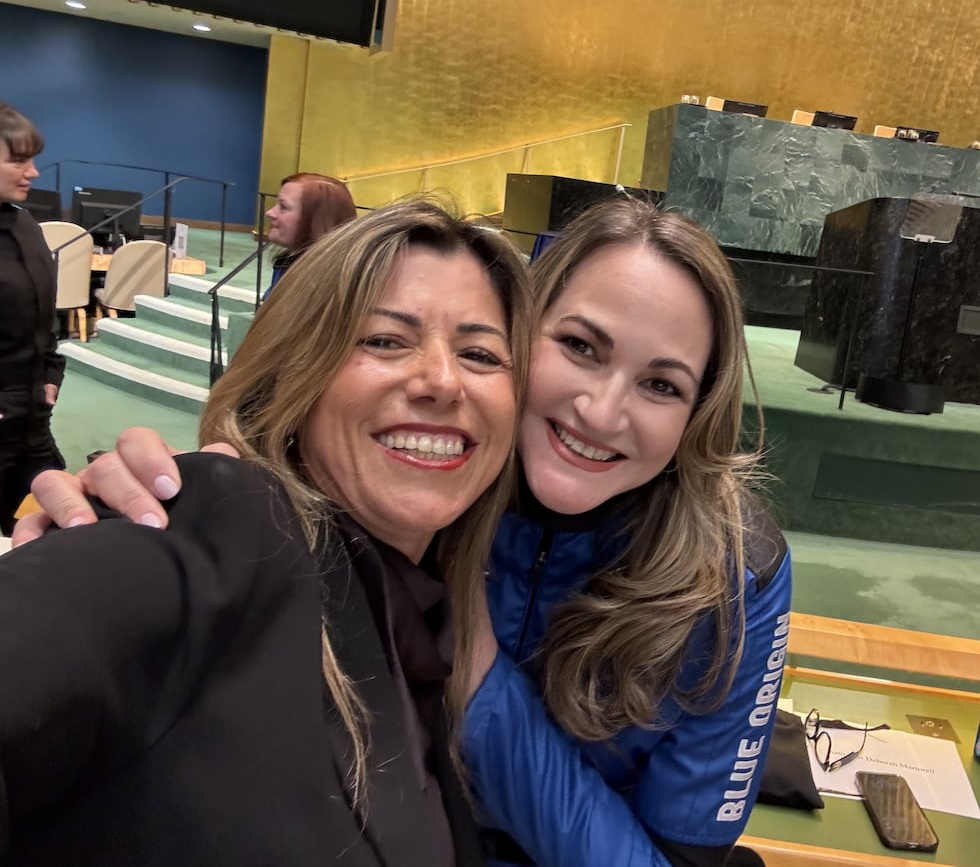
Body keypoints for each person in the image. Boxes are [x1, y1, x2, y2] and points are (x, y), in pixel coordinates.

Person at [18, 198, 791, 867]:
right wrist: (145, 514)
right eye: (580, 347)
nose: (602, 409)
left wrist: (479, 669)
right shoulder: (250, 517)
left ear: (697, 415)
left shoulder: (732, 572)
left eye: (662, 384)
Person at [0, 200, 532, 865]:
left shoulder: (428, 622)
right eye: (384, 340)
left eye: (480, 353)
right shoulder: (216, 519)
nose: (442, 381)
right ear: (294, 373)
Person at [0, 102, 65, 536]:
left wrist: (50, 374)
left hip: (32, 419)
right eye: (19, 160)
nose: (34, 172)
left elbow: (45, 319)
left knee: (66, 509)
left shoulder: (27, 228)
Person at [264, 171, 356, 292]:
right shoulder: (287, 264)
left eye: (283, 207)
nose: (269, 213)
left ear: (316, 220)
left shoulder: (323, 287)